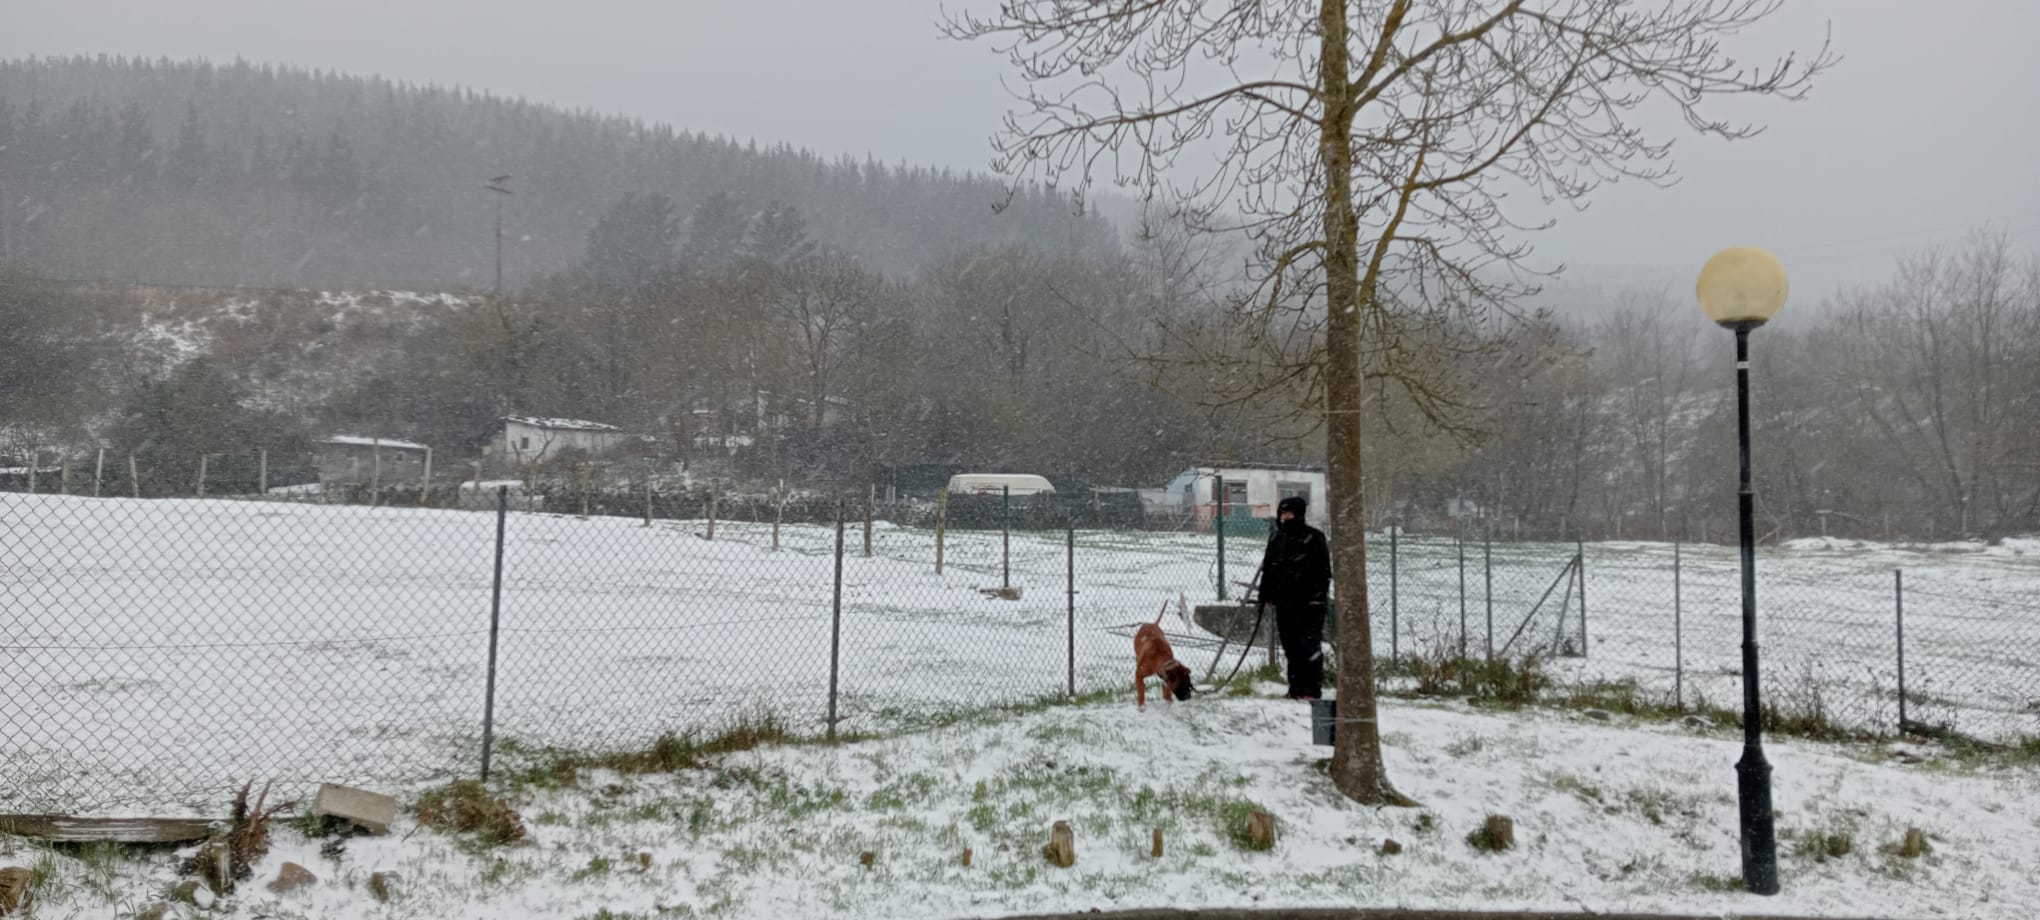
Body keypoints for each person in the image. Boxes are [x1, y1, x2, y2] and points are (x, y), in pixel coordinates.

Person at [1258, 495, 1330, 700]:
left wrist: (1317, 597)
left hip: (1309, 604)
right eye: (1282, 513)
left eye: (1289, 513)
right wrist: (1265, 594)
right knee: (1290, 646)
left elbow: (1322, 571)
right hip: (1284, 602)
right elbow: (1269, 568)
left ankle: (1312, 689)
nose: (1284, 517)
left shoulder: (1314, 538)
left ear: (1299, 514)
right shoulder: (1276, 538)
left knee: (1308, 645)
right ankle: (1295, 688)